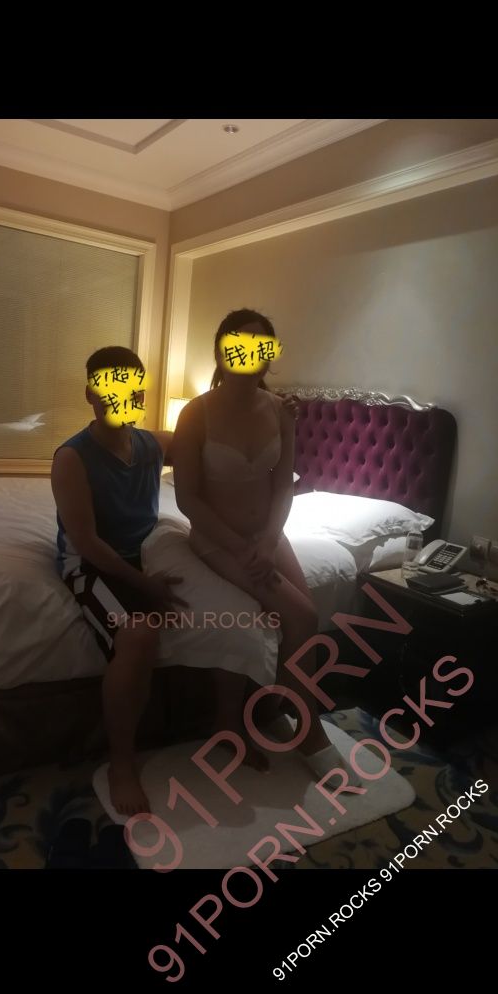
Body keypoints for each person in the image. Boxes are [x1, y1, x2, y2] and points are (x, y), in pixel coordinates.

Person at [173, 309, 352, 781]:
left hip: (268, 538)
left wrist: (269, 541)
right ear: (220, 352)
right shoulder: (195, 414)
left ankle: (274, 712)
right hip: (217, 539)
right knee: (301, 616)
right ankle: (310, 732)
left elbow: (283, 486)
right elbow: (187, 498)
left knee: (303, 617)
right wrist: (240, 547)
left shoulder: (280, 411)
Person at [51, 346, 186, 817]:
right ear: (90, 394)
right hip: (91, 564)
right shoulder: (72, 457)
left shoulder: (152, 445)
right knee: (140, 634)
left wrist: (275, 412)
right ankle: (121, 762)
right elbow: (86, 543)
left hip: (142, 553)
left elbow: (210, 438)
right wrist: (144, 586)